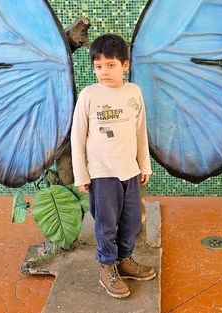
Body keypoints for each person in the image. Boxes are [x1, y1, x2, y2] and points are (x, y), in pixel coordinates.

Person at [71, 34, 155, 299]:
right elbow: (77, 136)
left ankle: (125, 260)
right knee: (106, 224)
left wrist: (145, 164)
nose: (104, 72)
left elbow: (141, 131)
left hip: (129, 170)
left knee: (131, 222)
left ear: (125, 65)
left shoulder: (134, 92)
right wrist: (81, 174)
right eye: (98, 66)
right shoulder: (89, 95)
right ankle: (107, 267)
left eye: (111, 65)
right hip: (102, 174)